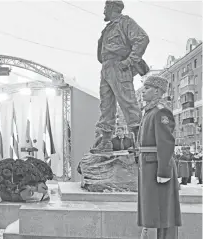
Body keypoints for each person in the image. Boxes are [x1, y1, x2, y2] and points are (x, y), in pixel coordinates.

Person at [91, 0, 150, 153]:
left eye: (105, 8)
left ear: (112, 8)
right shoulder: (108, 28)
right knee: (106, 105)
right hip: (106, 67)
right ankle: (106, 141)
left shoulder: (125, 22)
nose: (103, 11)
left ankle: (139, 140)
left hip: (119, 66)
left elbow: (142, 38)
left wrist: (129, 61)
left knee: (128, 102)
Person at [137, 76, 181, 239]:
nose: (143, 91)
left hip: (158, 166)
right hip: (149, 165)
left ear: (157, 91)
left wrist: (163, 171)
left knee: (165, 211)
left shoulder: (161, 111)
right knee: (153, 210)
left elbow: (166, 143)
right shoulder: (149, 111)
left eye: (147, 88)